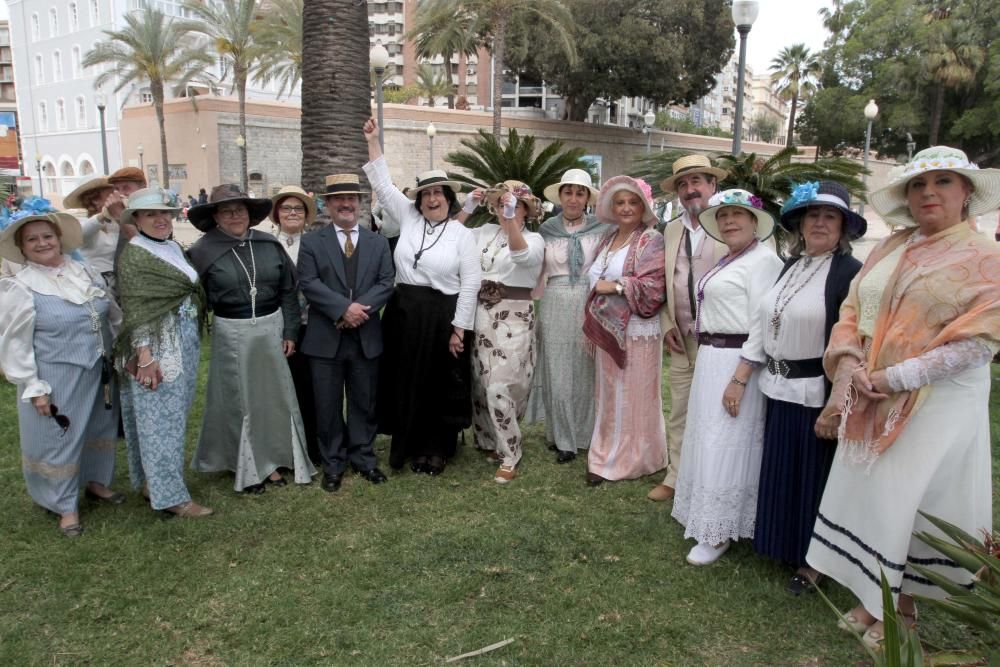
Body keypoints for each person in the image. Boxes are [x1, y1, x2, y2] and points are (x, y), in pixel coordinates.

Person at [805, 146, 1000, 649]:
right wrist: (849, 363)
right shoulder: (890, 246)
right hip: (871, 389)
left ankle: (904, 611)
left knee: (915, 500)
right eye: (918, 185)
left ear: (967, 194)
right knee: (877, 496)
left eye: (943, 182)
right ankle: (875, 599)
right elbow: (852, 307)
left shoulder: (987, 257)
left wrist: (894, 377)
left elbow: (978, 343)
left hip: (938, 399)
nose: (929, 193)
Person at [741, 181, 865, 594]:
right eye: (813, 215)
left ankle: (814, 563)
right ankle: (780, 543)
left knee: (812, 477)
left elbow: (853, 345)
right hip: (777, 386)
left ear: (843, 227)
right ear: (800, 222)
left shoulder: (849, 273)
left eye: (830, 217)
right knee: (782, 469)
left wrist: (836, 402)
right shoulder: (792, 265)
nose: (820, 223)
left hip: (816, 392)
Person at [362, 117, 480, 476]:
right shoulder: (408, 219)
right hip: (403, 313)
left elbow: (471, 283)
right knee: (404, 378)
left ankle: (437, 449)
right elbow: (382, 186)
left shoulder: (462, 235)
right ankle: (408, 444)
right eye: (427, 194)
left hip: (442, 316)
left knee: (439, 382)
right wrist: (373, 140)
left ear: (449, 199)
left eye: (439, 194)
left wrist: (460, 329)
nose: (432, 199)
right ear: (420, 200)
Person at [670, 189, 783, 565]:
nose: (729, 221)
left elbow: (762, 325)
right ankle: (704, 514)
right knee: (708, 436)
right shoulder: (732, 258)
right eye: (723, 215)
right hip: (711, 357)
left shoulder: (763, 261)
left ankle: (720, 529)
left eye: (737, 215)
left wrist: (740, 377)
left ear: (755, 222)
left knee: (727, 438)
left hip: (737, 360)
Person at [0, 199, 123, 537]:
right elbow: (15, 343)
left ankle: (96, 482)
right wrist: (33, 386)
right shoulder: (21, 287)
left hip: (99, 367)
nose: (42, 244)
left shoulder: (82, 271)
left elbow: (109, 311)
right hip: (57, 375)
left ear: (59, 238)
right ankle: (64, 505)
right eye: (32, 240)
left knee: (100, 426)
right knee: (60, 436)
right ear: (22, 248)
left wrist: (122, 345)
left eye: (47, 236)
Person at [187, 184, 315, 493]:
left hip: (272, 328)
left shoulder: (269, 244)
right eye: (227, 211)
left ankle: (276, 456)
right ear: (215, 216)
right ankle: (247, 464)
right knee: (239, 398)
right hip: (232, 331)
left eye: (240, 210)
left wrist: (290, 331)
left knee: (273, 397)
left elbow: (288, 291)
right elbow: (193, 300)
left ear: (250, 214)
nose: (235, 216)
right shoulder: (201, 252)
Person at [115, 187, 212, 517]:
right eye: (151, 214)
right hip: (158, 347)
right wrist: (145, 357)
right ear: (137, 219)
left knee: (171, 418)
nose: (160, 219)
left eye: (165, 213)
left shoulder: (170, 246)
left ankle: (152, 484)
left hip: (183, 341)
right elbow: (136, 309)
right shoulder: (135, 255)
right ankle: (171, 497)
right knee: (161, 423)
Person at [298, 174, 395, 492]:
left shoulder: (378, 243)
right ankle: (334, 463)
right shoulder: (312, 242)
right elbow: (309, 282)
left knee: (363, 402)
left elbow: (385, 283)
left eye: (351, 197)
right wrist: (342, 309)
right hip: (325, 338)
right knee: (327, 405)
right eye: (338, 198)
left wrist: (357, 312)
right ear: (327, 204)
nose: (345, 203)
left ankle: (364, 458)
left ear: (359, 202)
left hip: (365, 337)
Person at [647, 154, 728, 502]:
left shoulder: (730, 223)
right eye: (683, 184)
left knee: (717, 416)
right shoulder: (672, 229)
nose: (690, 189)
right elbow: (666, 283)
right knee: (679, 411)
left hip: (722, 343)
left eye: (697, 181)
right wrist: (666, 325)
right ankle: (676, 477)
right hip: (682, 341)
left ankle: (713, 481)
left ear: (713, 185)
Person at [582, 176, 667, 486]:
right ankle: (605, 451)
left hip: (637, 329)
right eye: (620, 202)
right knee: (608, 393)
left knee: (635, 395)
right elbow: (593, 278)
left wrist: (617, 286)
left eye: (633, 202)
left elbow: (654, 287)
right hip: (608, 327)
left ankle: (636, 457)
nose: (627, 208)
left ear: (643, 207)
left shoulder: (651, 239)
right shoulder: (607, 239)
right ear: (612, 207)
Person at [462, 181, 545, 484]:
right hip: (482, 314)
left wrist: (511, 222)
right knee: (482, 381)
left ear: (526, 209)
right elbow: (451, 236)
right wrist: (467, 207)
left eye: (513, 205)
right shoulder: (482, 233)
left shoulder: (535, 238)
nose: (504, 209)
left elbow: (522, 257)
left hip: (515, 317)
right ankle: (488, 442)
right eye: (500, 204)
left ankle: (511, 451)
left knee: (502, 384)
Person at [536, 169, 604, 463]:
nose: (573, 198)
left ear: (588, 197)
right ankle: (560, 436)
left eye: (580, 192)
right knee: (556, 369)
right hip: (554, 300)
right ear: (560, 196)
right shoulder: (546, 229)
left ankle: (583, 434)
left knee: (584, 369)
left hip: (588, 300)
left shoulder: (602, 229)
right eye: (568, 192)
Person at [269, 185, 321, 464]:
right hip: (275, 326)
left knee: (309, 388)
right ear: (277, 214)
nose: (292, 213)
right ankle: (283, 449)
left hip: (311, 325)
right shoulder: (265, 244)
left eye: (298, 208)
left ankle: (312, 447)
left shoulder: (315, 243)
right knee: (278, 389)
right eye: (286, 208)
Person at [64, 177, 116, 280]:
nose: (115, 198)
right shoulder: (80, 222)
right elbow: (83, 232)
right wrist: (104, 214)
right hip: (95, 278)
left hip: (119, 276)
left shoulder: (114, 221)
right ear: (95, 200)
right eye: (110, 195)